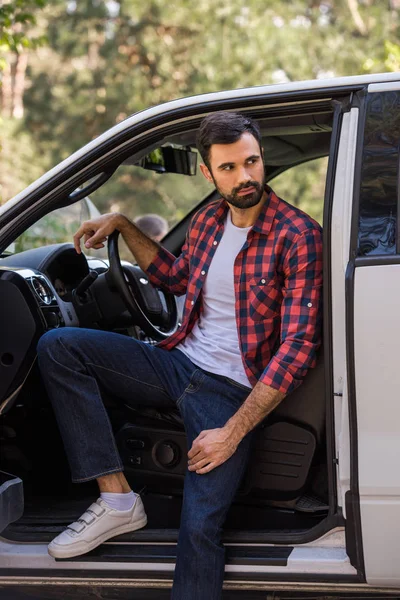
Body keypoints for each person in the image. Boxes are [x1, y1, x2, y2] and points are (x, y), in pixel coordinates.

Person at [37, 111, 323, 600]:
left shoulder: (298, 236)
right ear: (208, 174)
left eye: (251, 162)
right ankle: (117, 497)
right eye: (229, 168)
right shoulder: (211, 218)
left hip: (231, 393)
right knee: (60, 347)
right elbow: (175, 279)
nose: (246, 177)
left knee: (198, 532)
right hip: (178, 364)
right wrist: (125, 225)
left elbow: (298, 348)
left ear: (261, 158)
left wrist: (232, 433)